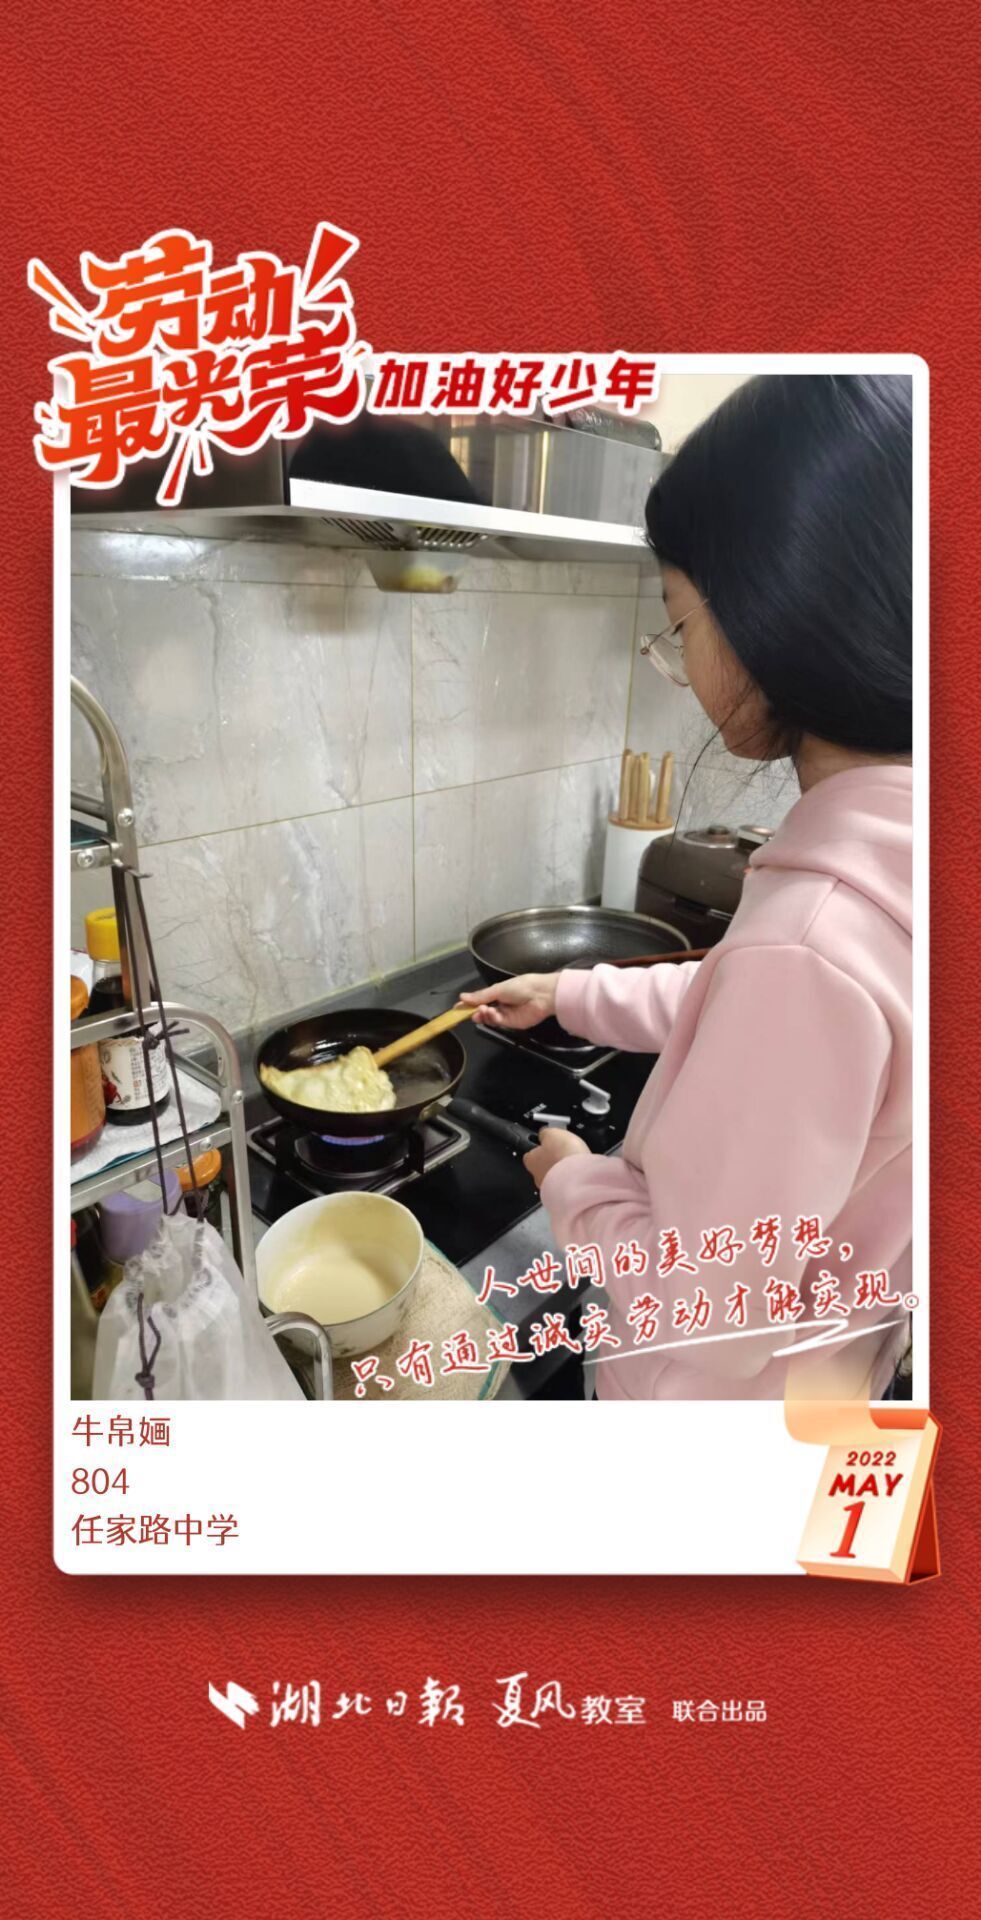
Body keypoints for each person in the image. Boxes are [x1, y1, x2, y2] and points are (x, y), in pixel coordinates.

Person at [461, 374, 913, 1400]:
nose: (681, 661)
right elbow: (739, 1006)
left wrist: (572, 1181)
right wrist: (572, 993)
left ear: (775, 614)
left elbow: (705, 1315)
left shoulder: (811, 942)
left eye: (679, 622)